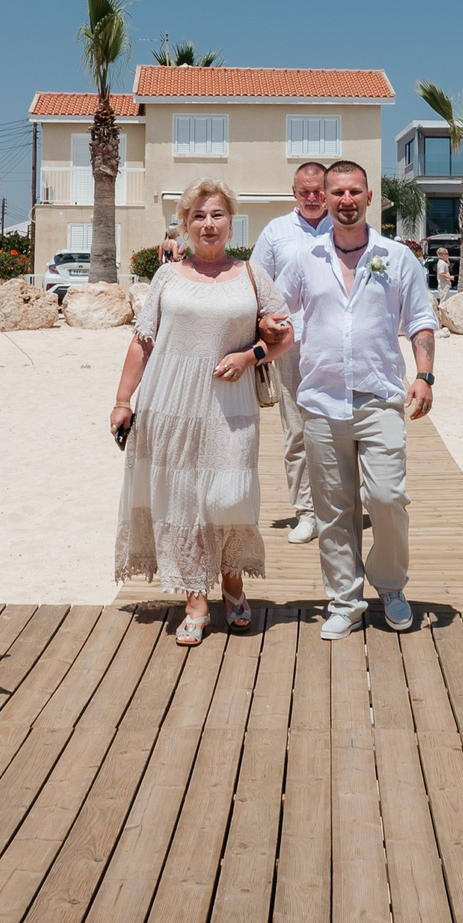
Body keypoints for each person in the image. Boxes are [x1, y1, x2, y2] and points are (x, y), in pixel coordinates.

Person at [109, 181, 292, 644]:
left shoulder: (252, 275)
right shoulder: (167, 277)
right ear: (186, 224)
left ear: (231, 221)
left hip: (230, 407)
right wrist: (122, 401)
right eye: (199, 216)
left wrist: (250, 356)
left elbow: (284, 337)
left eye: (217, 215)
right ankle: (195, 597)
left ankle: (232, 576)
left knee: (229, 494)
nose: (208, 224)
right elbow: (143, 341)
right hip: (168, 403)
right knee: (183, 499)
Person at [270, 159, 437, 639]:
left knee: (387, 498)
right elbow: (279, 314)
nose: (345, 200)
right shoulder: (306, 259)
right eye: (336, 192)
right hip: (321, 402)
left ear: (369, 197)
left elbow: (421, 320)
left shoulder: (396, 256)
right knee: (334, 508)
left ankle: (390, 586)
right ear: (323, 196)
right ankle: (344, 599)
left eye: (353, 192)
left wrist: (424, 376)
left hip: (379, 397)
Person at [250, 162, 334, 545]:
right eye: (306, 191)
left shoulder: (347, 227)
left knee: (341, 428)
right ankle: (306, 511)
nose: (313, 198)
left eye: (319, 191)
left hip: (340, 348)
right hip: (291, 347)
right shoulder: (276, 232)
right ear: (294, 191)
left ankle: (338, 508)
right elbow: (255, 283)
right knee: (296, 431)